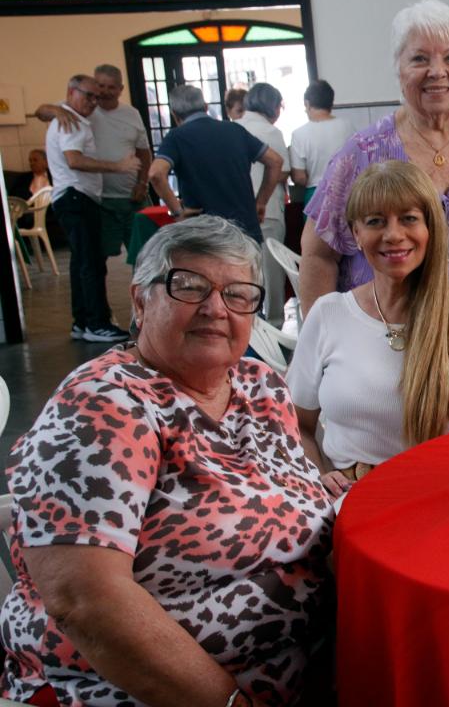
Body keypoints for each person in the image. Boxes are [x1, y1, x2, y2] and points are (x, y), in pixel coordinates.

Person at [1, 215, 334, 707]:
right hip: (136, 691)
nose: (216, 308)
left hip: (300, 664)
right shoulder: (103, 407)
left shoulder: (259, 385)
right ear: (140, 301)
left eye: (237, 294)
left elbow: (290, 495)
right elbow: (85, 601)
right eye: (190, 287)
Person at [300, 0, 449, 348]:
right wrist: (319, 341)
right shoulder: (363, 152)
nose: (437, 71)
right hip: (381, 343)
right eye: (419, 59)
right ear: (399, 71)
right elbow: (319, 253)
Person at [288, 161, 449, 496]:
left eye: (409, 218)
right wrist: (316, 476)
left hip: (447, 501)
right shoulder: (328, 315)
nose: (393, 235)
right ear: (356, 234)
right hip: (350, 505)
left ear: (430, 228)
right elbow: (296, 425)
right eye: (375, 221)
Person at [44, 74, 141, 343]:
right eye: (88, 95)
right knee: (91, 264)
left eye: (96, 97)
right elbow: (74, 160)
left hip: (75, 198)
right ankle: (97, 323)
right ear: (71, 92)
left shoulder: (67, 116)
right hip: (76, 197)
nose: (93, 101)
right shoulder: (70, 121)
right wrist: (118, 167)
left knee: (82, 262)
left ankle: (82, 321)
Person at [35, 65, 153, 261]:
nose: (105, 92)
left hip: (132, 196)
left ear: (121, 89)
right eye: (101, 86)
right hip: (99, 200)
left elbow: (144, 152)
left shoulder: (131, 113)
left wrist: (142, 182)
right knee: (95, 258)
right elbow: (40, 112)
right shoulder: (80, 109)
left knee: (145, 254)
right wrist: (56, 110)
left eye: (111, 87)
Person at [146, 84, 286, 243]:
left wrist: (177, 212)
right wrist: (261, 202)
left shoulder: (176, 137)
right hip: (245, 229)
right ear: (205, 107)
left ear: (175, 115)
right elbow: (275, 161)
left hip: (205, 232)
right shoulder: (235, 129)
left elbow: (156, 174)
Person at [236, 82, 292, 321]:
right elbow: (282, 170)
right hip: (267, 211)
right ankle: (275, 322)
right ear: (272, 106)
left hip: (239, 211)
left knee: (245, 271)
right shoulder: (271, 132)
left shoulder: (234, 127)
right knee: (272, 272)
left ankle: (249, 322)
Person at [289, 79, 354, 205]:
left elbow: (299, 177)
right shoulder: (348, 127)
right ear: (331, 103)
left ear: (307, 104)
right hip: (345, 193)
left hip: (316, 195)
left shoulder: (299, 134)